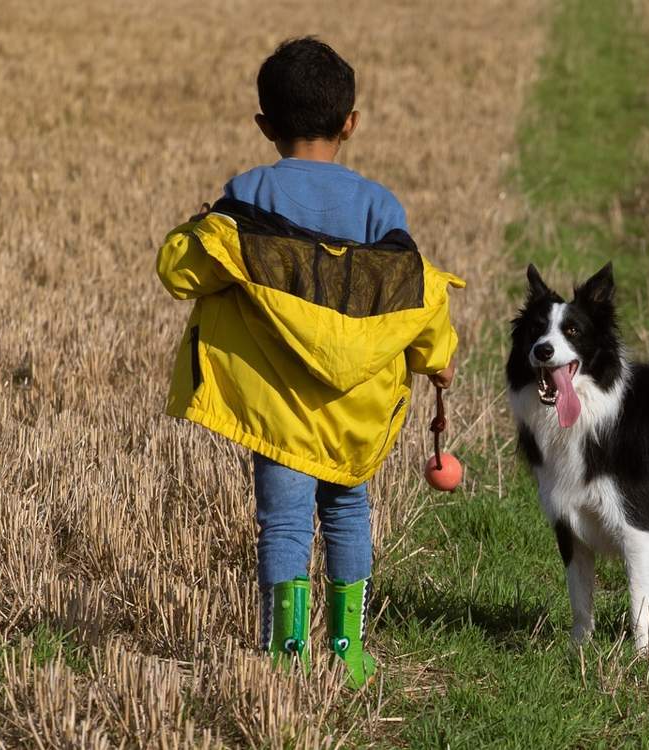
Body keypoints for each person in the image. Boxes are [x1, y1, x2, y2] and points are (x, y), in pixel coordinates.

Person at [155, 37, 461, 688]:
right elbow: (413, 290)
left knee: (285, 523)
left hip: (278, 409)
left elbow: (182, 273)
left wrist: (197, 228)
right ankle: (347, 649)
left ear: (264, 125)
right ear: (350, 123)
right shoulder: (381, 207)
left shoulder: (248, 196)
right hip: (355, 413)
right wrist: (438, 359)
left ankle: (286, 656)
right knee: (350, 512)